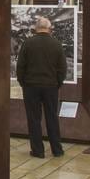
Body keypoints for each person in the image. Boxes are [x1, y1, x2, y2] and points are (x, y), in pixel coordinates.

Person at [16, 16, 67, 158]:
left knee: (33, 119)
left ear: (36, 28)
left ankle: (38, 151)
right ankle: (57, 150)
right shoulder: (56, 44)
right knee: (52, 117)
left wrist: (23, 82)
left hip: (31, 86)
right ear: (49, 28)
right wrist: (58, 83)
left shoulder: (28, 43)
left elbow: (20, 67)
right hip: (50, 86)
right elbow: (62, 68)